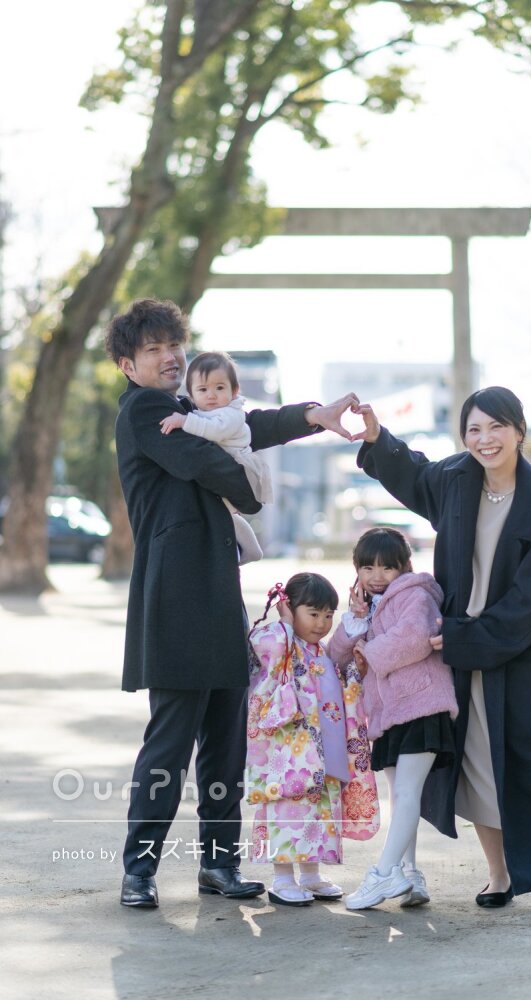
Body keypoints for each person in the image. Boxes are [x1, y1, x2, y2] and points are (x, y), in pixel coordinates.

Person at [104, 297, 359, 909]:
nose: (170, 357)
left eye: (174, 345)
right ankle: (138, 870)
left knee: (226, 746)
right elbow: (211, 459)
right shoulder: (145, 410)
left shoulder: (189, 411)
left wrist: (312, 416)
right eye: (154, 350)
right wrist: (247, 484)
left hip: (217, 596)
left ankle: (220, 865)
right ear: (127, 365)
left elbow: (241, 424)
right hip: (175, 599)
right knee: (169, 745)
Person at [351, 387, 531, 918]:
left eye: (497, 427)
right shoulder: (458, 480)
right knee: (478, 765)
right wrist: (378, 439)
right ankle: (499, 873)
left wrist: (466, 638)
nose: (485, 439)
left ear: (519, 431)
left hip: (524, 657)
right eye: (474, 429)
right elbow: (414, 474)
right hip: (463, 652)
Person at [327, 527, 458, 911]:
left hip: (421, 705)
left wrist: (369, 650)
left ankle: (384, 872)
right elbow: (337, 659)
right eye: (367, 567)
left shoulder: (416, 594)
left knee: (406, 793)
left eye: (387, 567)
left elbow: (415, 638)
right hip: (388, 715)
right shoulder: (369, 607)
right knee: (401, 797)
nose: (377, 576)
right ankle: (409, 873)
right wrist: (354, 624)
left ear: (404, 566)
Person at [246, 573, 377, 906]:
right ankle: (282, 879)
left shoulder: (321, 653)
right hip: (289, 756)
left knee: (318, 814)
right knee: (287, 812)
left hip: (322, 753)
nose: (321, 623)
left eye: (328, 615)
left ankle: (310, 874)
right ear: (290, 609)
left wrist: (354, 671)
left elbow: (342, 682)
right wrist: (286, 624)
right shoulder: (281, 644)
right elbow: (265, 648)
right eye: (313, 614)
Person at [160, 350, 271, 564]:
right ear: (191, 395)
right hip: (226, 469)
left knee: (221, 515)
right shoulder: (203, 413)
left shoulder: (232, 414)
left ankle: (249, 550)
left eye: (219, 388)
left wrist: (183, 421)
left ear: (234, 391)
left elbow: (214, 431)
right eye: (203, 389)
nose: (211, 395)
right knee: (225, 515)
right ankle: (250, 550)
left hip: (240, 470)